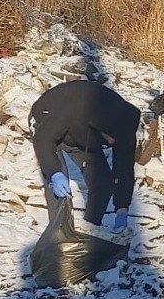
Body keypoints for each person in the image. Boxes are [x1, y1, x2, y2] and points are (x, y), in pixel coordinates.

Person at [29, 80, 141, 229]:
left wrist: (122, 208)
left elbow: (124, 169)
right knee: (60, 190)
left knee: (103, 184)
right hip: (47, 120)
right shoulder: (76, 108)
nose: (112, 142)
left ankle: (91, 231)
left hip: (83, 138)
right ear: (104, 125)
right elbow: (44, 139)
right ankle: (58, 235)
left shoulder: (124, 127)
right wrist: (54, 173)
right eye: (110, 137)